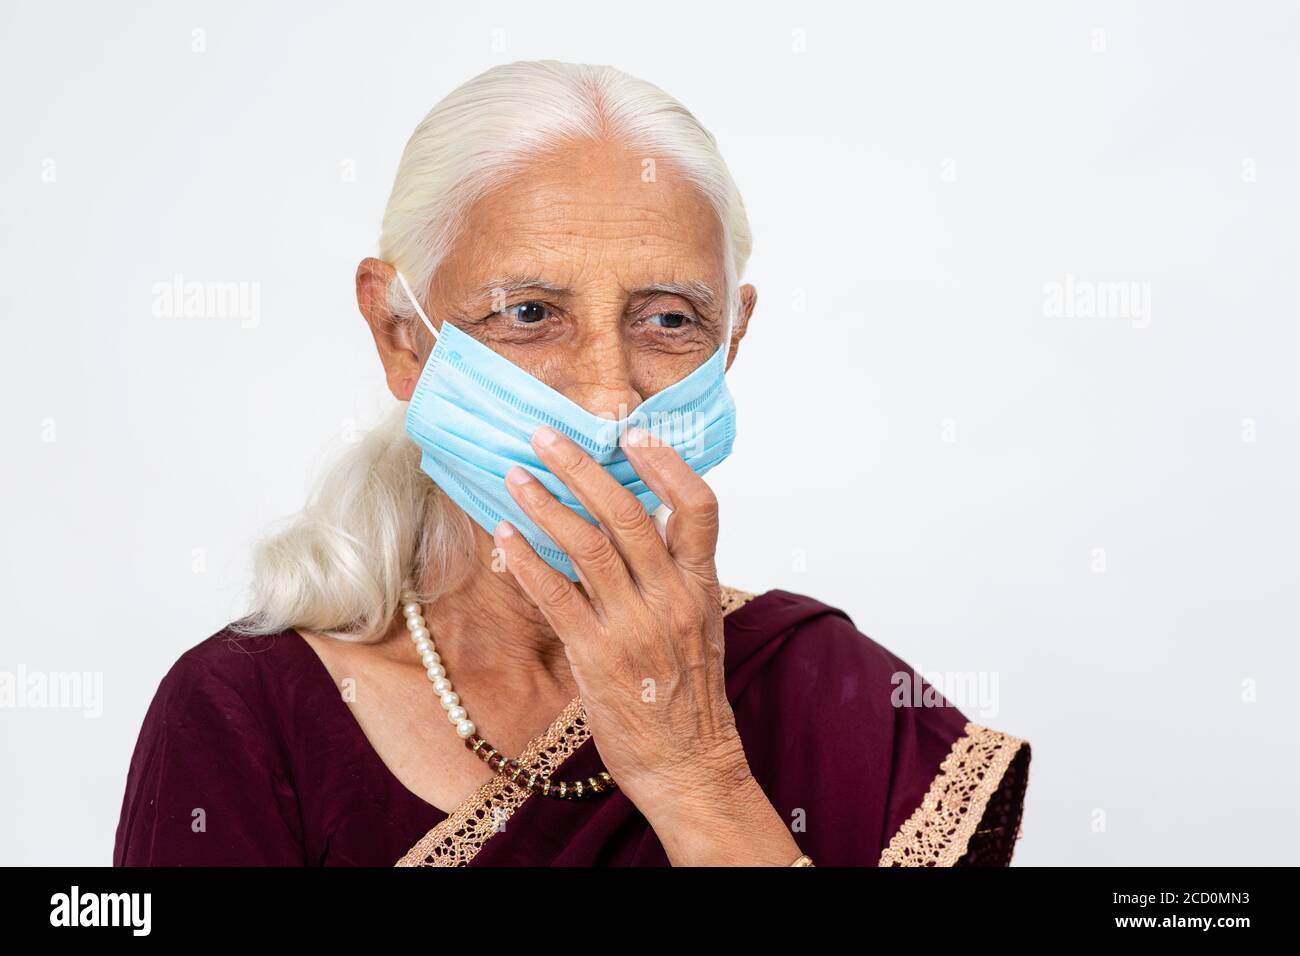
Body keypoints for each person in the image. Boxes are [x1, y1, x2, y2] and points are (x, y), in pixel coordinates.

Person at [114, 59, 1030, 867]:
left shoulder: (823, 688)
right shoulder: (246, 715)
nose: (607, 398)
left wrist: (697, 777)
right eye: (528, 313)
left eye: (669, 319)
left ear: (732, 343)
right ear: (402, 336)